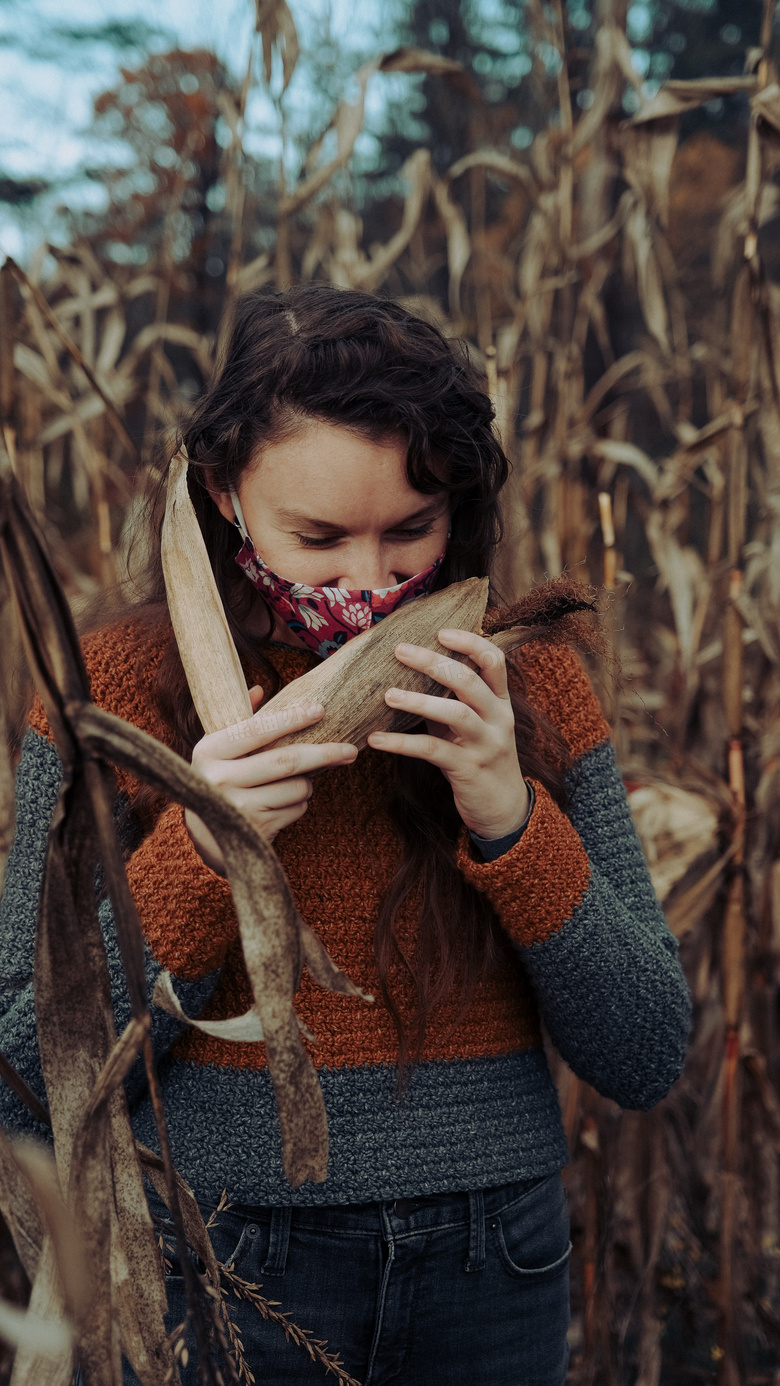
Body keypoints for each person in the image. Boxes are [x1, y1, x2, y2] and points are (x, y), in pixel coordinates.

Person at [0, 287, 690, 1385]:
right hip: (225, 1260)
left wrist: (510, 818)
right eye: (317, 536)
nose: (369, 583)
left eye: (411, 532)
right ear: (223, 496)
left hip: (493, 1267)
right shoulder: (112, 694)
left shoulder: (534, 686)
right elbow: (25, 1079)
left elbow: (647, 1051)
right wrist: (203, 851)